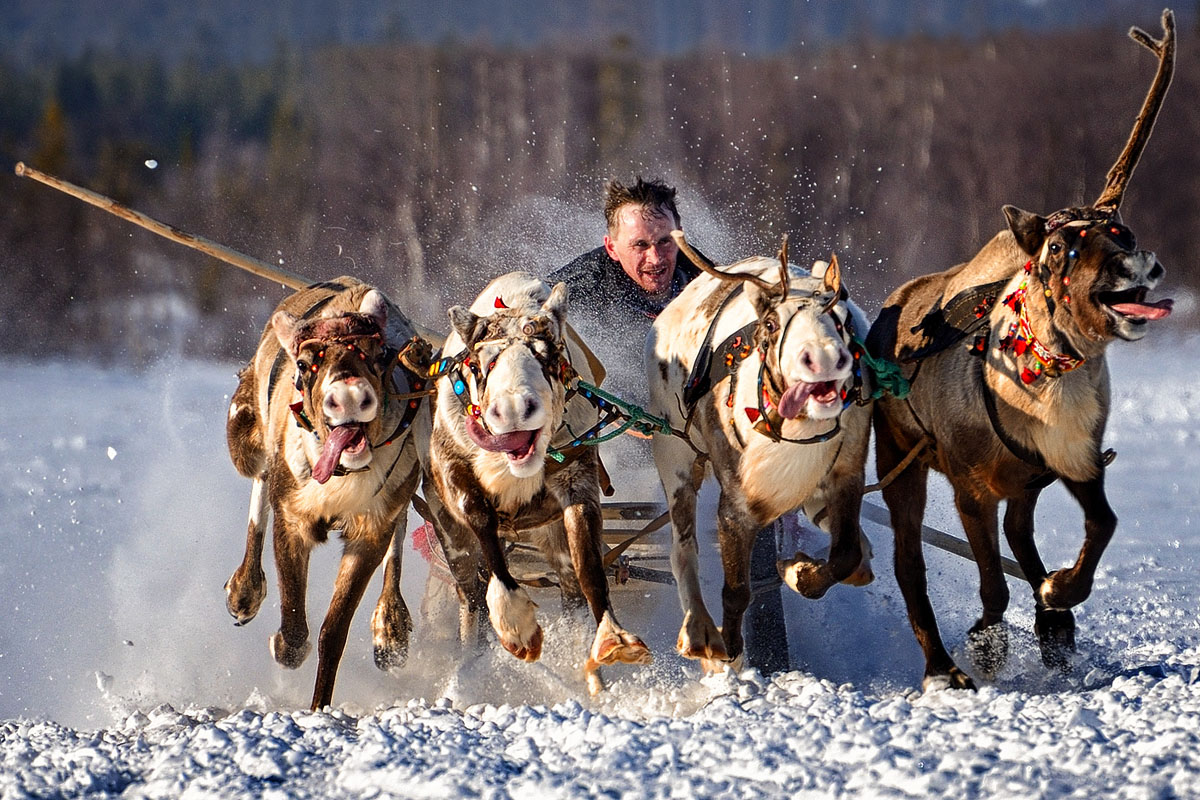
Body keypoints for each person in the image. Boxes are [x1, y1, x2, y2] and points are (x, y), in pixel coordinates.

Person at [549, 177, 791, 675]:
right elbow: (538, 359)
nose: (657, 259)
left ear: (680, 236)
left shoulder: (712, 284)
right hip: (614, 436)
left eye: (666, 243)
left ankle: (770, 665)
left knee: (755, 501)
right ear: (611, 248)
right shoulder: (577, 288)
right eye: (639, 246)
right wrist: (609, 404)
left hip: (695, 432)